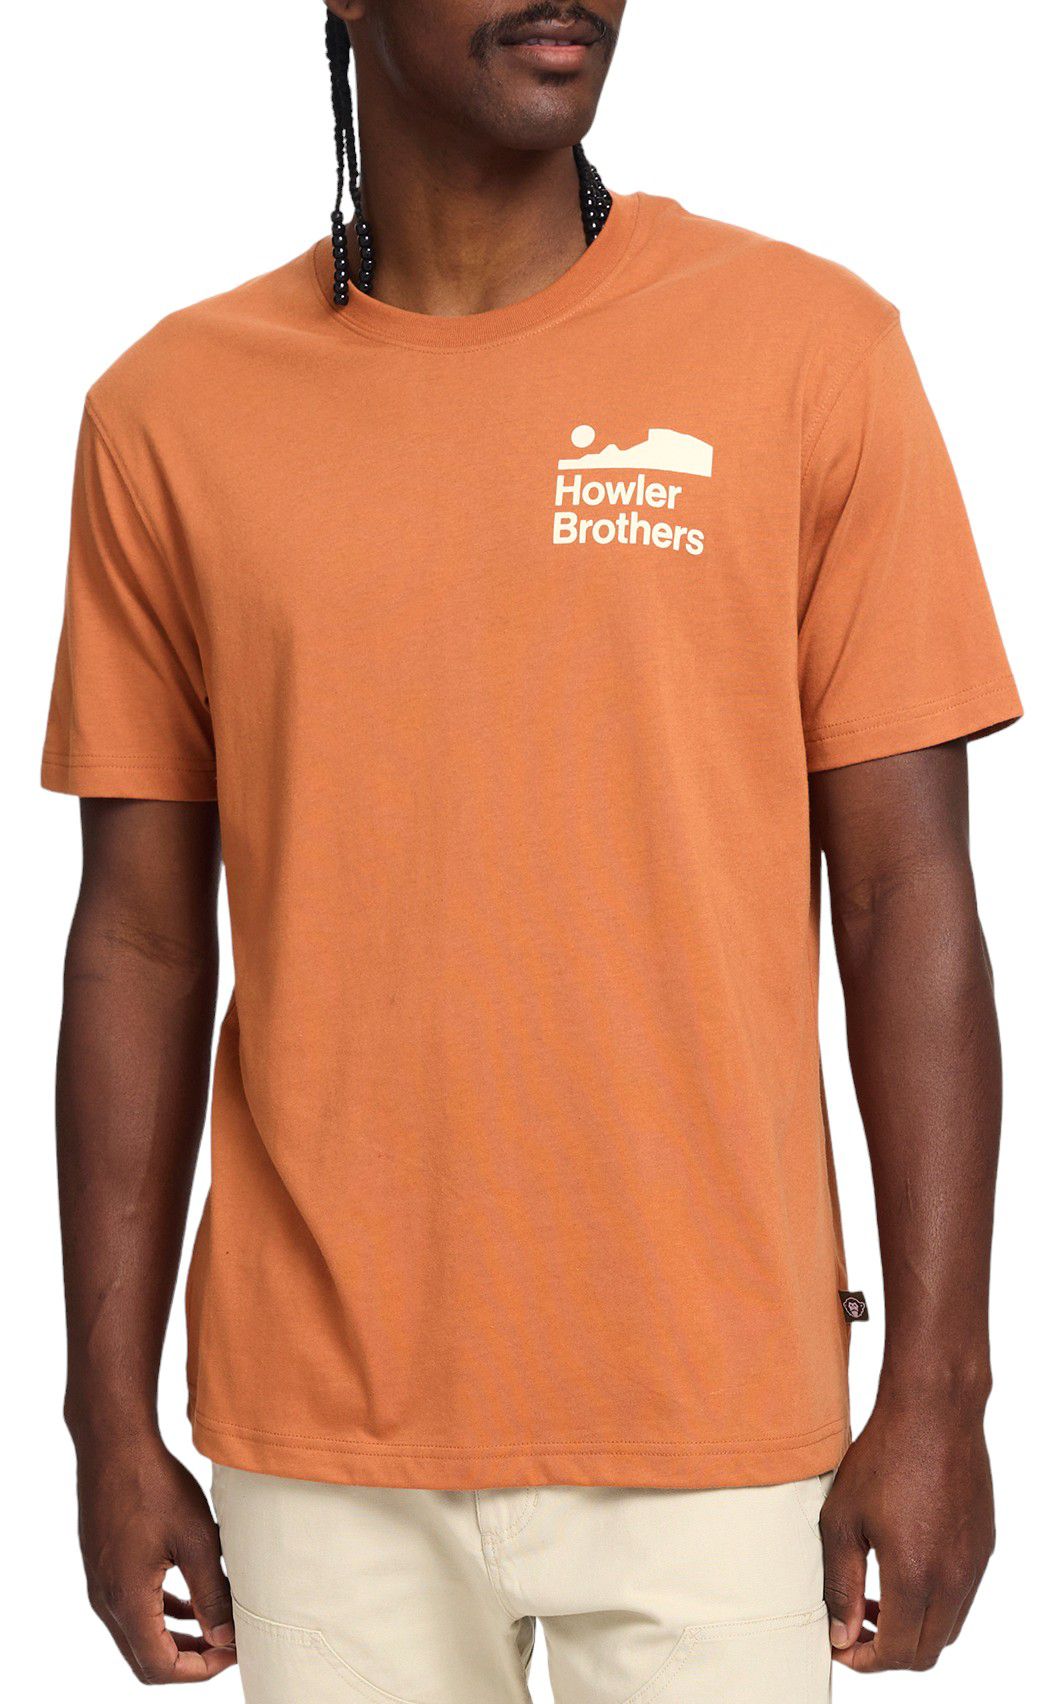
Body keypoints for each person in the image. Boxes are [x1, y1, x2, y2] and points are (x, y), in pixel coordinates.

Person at [42, 2, 1021, 1698]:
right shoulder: (170, 411)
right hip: (320, 1439)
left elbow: (905, 890)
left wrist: (940, 1389)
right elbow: (136, 937)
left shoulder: (808, 350)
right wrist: (104, 1419)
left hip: (715, 1418)